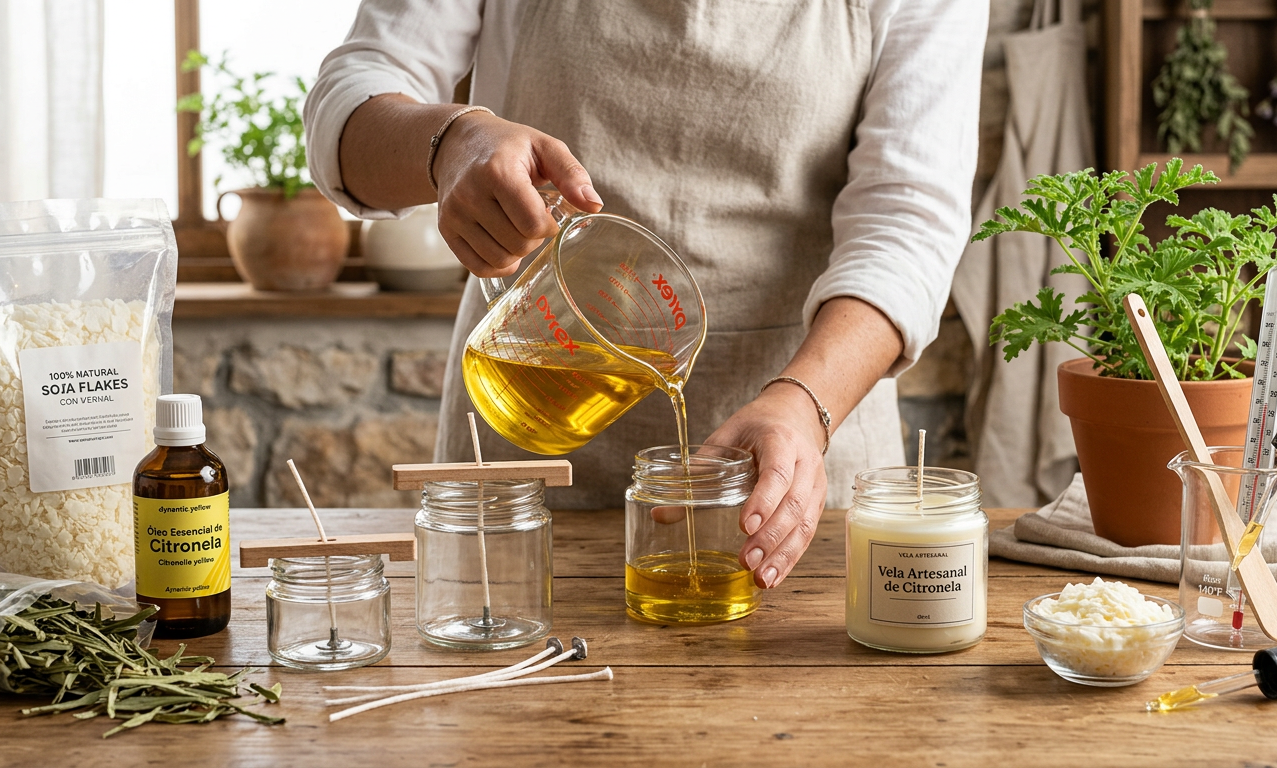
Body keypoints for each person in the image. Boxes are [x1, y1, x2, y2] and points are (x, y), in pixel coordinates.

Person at [306, 0, 986, 590]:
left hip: (802, 441)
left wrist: (806, 404)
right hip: (526, 439)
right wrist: (448, 144)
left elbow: (909, 216)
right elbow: (349, 103)